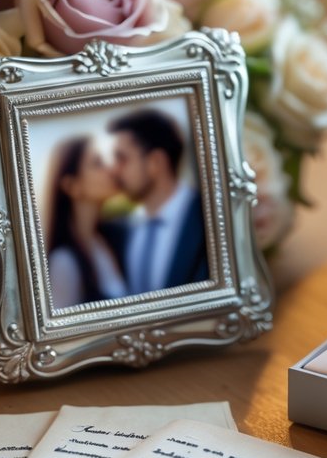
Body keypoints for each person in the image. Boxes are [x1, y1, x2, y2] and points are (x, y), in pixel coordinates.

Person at [108, 108, 209, 293]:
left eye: (122, 159)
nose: (115, 171)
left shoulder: (209, 218)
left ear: (156, 162)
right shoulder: (120, 230)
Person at [45, 135, 129, 308]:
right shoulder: (64, 263)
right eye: (98, 163)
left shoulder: (112, 238)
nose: (111, 170)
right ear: (72, 186)